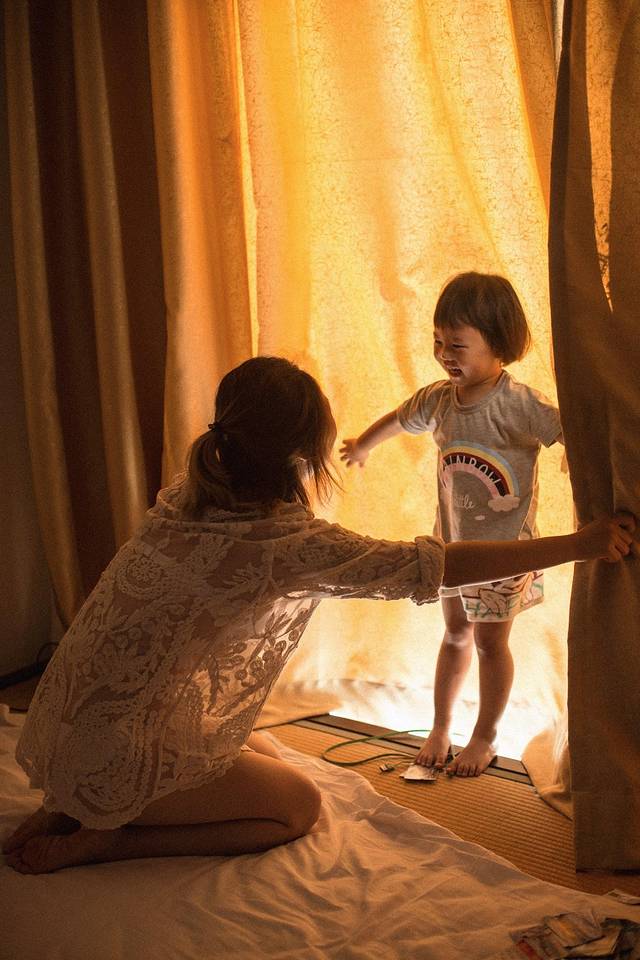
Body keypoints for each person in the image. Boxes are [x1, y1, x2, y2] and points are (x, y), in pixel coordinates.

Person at [4, 356, 634, 874]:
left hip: (63, 724)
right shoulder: (282, 542)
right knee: (298, 806)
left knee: (259, 745)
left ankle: (72, 803)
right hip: (117, 748)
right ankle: (108, 839)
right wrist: (578, 545)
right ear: (303, 454)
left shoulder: (186, 498)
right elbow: (436, 565)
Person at [341, 272, 570, 777]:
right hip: (451, 549)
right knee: (454, 634)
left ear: (498, 345)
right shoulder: (439, 399)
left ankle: (485, 736)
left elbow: (566, 429)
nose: (445, 354)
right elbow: (400, 418)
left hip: (505, 555)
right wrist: (363, 445)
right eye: (438, 342)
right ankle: (441, 726)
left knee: (490, 643)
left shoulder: (518, 404)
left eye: (458, 345)